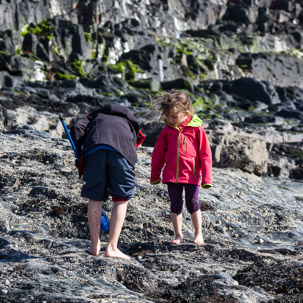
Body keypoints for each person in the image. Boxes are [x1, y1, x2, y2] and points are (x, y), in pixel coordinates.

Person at [70, 104, 145, 259]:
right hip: (121, 153)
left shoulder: (93, 116)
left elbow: (77, 128)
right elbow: (136, 140)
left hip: (94, 150)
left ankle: (94, 246)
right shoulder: (128, 120)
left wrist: (81, 153)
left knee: (95, 197)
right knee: (121, 198)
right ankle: (111, 247)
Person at [150, 90, 212, 245]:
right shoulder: (167, 131)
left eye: (174, 116)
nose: (170, 120)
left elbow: (205, 154)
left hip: (191, 174)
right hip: (172, 175)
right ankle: (178, 235)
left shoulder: (196, 128)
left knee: (193, 202)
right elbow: (158, 154)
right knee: (175, 204)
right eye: (168, 116)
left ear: (186, 113)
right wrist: (155, 175)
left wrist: (206, 177)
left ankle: (198, 234)